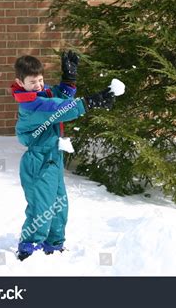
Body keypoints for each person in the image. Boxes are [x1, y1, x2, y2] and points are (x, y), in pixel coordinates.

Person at [11, 51, 115, 260]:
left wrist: (69, 80)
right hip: (38, 162)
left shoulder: (42, 94)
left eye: (40, 80)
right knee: (42, 206)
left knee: (59, 205)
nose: (39, 85)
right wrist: (88, 103)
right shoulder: (30, 105)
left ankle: (54, 243)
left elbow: (58, 96)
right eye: (32, 82)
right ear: (20, 83)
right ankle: (29, 246)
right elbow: (57, 108)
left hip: (53, 158)